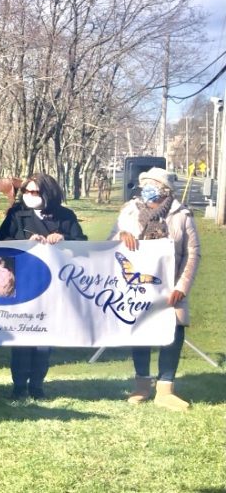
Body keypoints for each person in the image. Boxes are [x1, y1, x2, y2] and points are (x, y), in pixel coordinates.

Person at [111, 167, 200, 411]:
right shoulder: (128, 212)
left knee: (173, 333)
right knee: (140, 332)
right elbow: (109, 245)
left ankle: (165, 388)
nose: (147, 189)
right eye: (145, 184)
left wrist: (182, 286)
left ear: (165, 190)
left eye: (153, 185)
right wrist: (121, 235)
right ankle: (142, 385)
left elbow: (192, 254)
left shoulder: (182, 215)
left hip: (171, 289)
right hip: (138, 289)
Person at [0, 173, 86, 400]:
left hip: (55, 288)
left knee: (44, 341)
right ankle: (18, 387)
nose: (29, 196)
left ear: (47, 193)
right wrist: (24, 243)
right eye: (26, 191)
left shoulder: (65, 216)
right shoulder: (17, 214)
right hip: (23, 284)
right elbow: (1, 241)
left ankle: (37, 386)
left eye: (34, 192)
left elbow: (83, 244)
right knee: (21, 339)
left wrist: (64, 238)